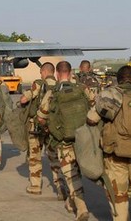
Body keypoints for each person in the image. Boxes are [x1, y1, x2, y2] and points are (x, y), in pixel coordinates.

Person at [87, 65, 131, 221]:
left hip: (116, 154)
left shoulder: (110, 94)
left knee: (118, 195)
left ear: (118, 79)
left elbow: (91, 119)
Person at [37, 61, 90, 221]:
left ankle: (81, 208)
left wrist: (50, 127)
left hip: (63, 140)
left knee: (70, 174)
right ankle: (70, 201)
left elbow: (41, 117)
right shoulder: (82, 89)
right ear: (71, 72)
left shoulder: (52, 93)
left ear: (58, 74)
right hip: (83, 138)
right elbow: (95, 107)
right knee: (77, 170)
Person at [19, 62, 67, 199]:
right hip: (54, 128)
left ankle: (35, 186)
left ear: (44, 72)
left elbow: (23, 100)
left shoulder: (39, 84)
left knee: (35, 157)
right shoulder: (60, 86)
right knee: (54, 158)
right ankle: (60, 186)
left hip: (37, 127)